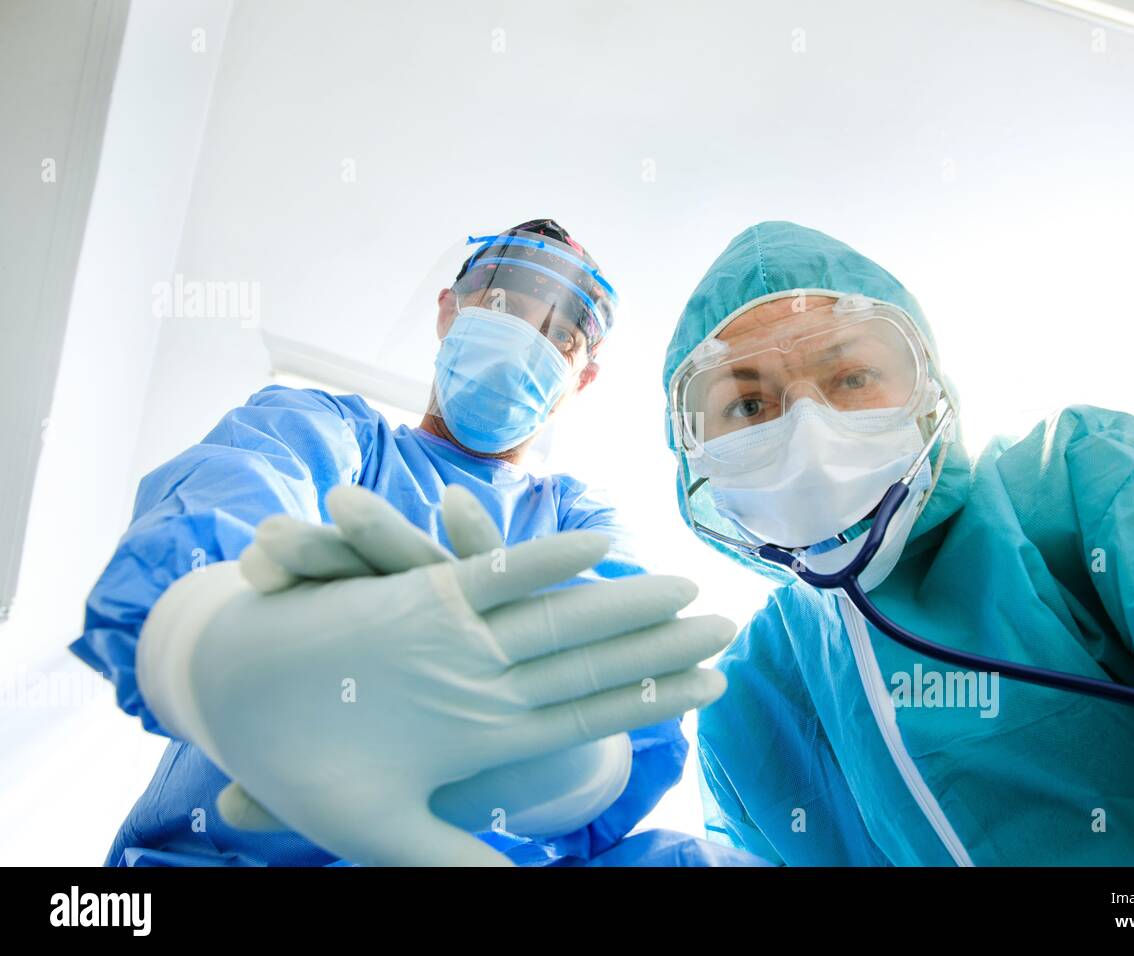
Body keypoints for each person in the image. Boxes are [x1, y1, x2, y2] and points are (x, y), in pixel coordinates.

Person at [71, 219, 748, 867]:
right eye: (505, 304)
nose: (525, 336)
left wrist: (578, 769)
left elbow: (630, 670)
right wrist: (209, 635)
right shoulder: (331, 433)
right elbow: (234, 493)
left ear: (584, 377)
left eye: (562, 335)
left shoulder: (577, 519)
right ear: (449, 312)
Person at [662, 220, 1134, 865]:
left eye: (852, 376)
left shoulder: (1076, 483)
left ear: (928, 390)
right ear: (692, 451)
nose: (808, 428)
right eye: (746, 406)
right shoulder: (748, 698)